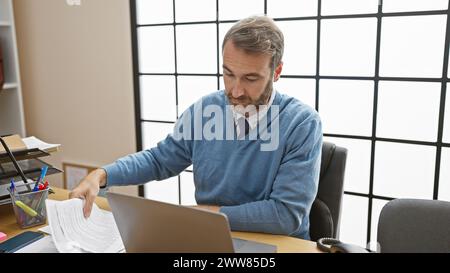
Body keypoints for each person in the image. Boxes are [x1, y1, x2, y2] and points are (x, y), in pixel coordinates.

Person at [70, 15, 323, 240]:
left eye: (251, 78)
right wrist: (101, 175)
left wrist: (207, 214)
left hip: (279, 246)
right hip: (210, 236)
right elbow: (160, 160)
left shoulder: (302, 123)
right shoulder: (205, 110)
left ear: (276, 71)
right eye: (228, 73)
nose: (235, 90)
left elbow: (285, 215)